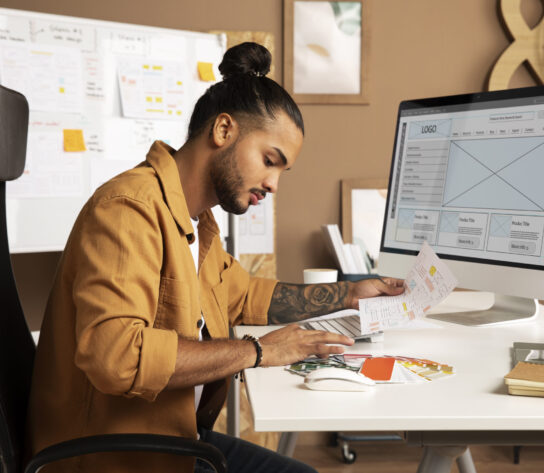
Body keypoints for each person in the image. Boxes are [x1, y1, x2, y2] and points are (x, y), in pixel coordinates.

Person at [26, 42, 404, 473]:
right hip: (115, 457)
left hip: (176, 439)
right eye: (269, 160)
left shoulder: (197, 222)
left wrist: (349, 294)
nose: (274, 184)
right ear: (224, 130)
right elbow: (117, 356)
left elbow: (245, 296)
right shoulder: (127, 209)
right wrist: (257, 351)